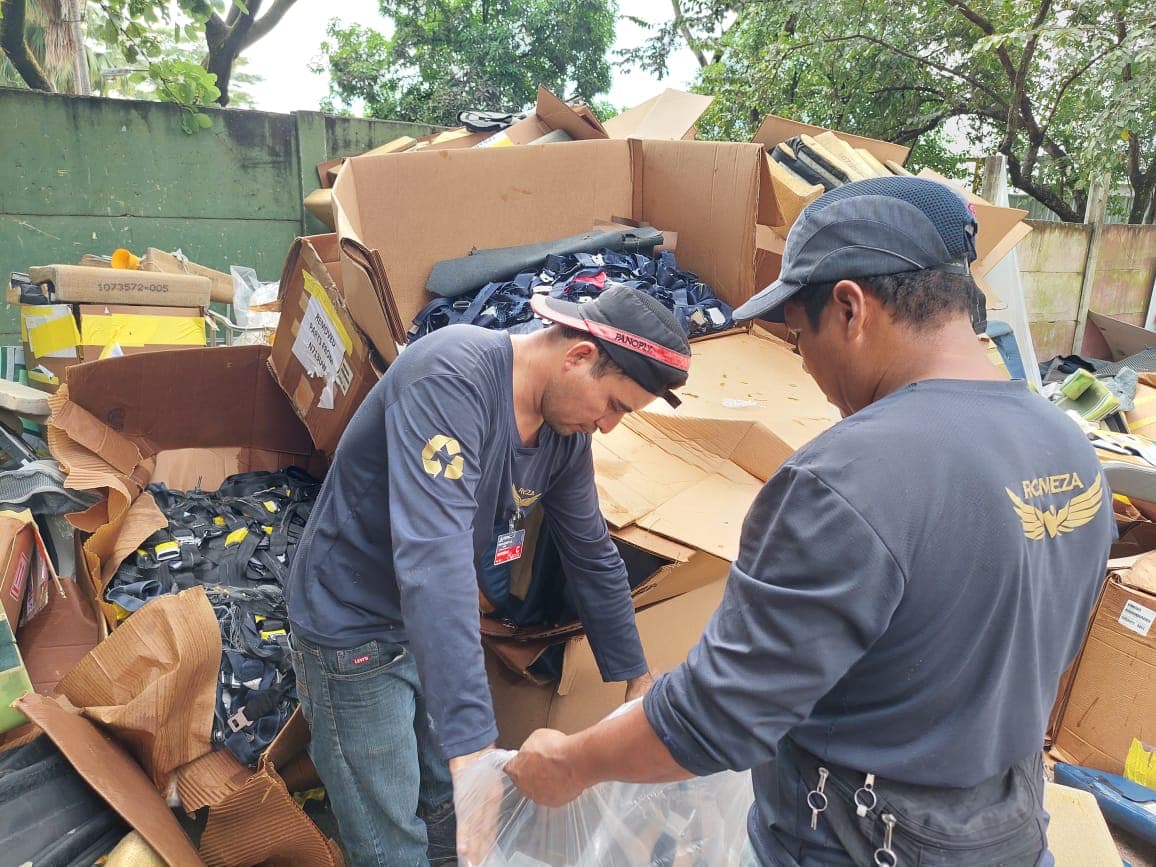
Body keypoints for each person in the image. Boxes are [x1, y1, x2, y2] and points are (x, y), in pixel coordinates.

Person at [506, 177, 1115, 866]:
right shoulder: (1067, 446)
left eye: (798, 336)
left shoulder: (850, 477)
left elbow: (717, 719)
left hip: (859, 843)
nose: (808, 367)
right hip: (1005, 834)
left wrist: (572, 761)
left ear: (851, 307)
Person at [284, 283, 692, 866]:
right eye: (615, 405)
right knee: (387, 833)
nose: (609, 427)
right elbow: (435, 558)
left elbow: (591, 553)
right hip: (352, 622)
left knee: (448, 805)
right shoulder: (452, 378)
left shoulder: (561, 436)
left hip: (429, 626)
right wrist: (475, 750)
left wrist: (635, 680)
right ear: (578, 356)